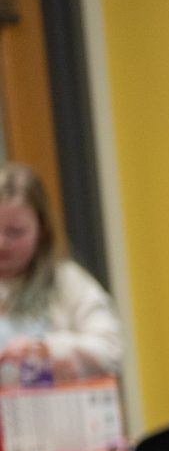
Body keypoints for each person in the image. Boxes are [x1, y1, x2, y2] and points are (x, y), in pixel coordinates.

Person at [0, 163, 122, 381]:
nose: (2, 243)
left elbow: (111, 348)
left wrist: (45, 348)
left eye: (15, 232)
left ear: (43, 230)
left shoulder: (67, 281)